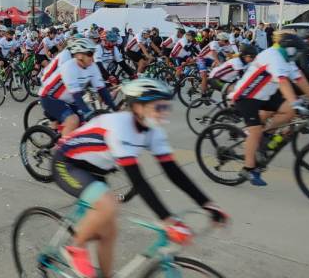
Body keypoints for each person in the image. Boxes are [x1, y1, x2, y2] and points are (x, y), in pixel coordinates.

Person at [54, 79, 228, 278]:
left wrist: (208, 204)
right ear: (138, 107)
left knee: (109, 232)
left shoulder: (153, 130)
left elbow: (173, 172)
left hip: (97, 171)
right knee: (108, 205)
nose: (164, 112)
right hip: (67, 164)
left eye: (166, 106)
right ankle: (75, 248)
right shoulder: (120, 127)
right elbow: (138, 181)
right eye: (158, 107)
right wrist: (168, 221)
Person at [230, 33, 309, 186]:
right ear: (290, 49)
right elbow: (283, 82)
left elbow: (300, 79)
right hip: (246, 96)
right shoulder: (273, 56)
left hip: (264, 95)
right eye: (297, 51)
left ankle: (265, 137)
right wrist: (296, 102)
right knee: (255, 131)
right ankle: (248, 168)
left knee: (290, 111)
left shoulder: (286, 59)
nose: (298, 54)